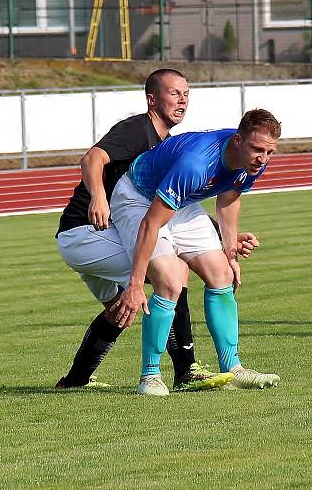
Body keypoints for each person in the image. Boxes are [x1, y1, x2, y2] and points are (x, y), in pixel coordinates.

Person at [55, 68, 249, 391]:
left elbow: (171, 208)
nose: (182, 100)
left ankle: (73, 382)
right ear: (151, 99)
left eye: (186, 94)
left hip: (109, 232)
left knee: (124, 308)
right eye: (174, 93)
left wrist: (222, 235)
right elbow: (92, 158)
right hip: (86, 232)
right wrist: (99, 197)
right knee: (171, 270)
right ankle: (185, 370)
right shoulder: (137, 130)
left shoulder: (168, 146)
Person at [109, 109, 282, 396]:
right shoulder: (197, 164)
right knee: (169, 280)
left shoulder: (254, 162)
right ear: (238, 140)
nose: (262, 159)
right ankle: (149, 375)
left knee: (222, 274)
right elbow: (151, 223)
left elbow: (228, 200)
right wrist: (136, 285)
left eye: (269, 152)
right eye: (256, 149)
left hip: (180, 201)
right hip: (138, 197)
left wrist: (230, 254)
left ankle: (233, 369)